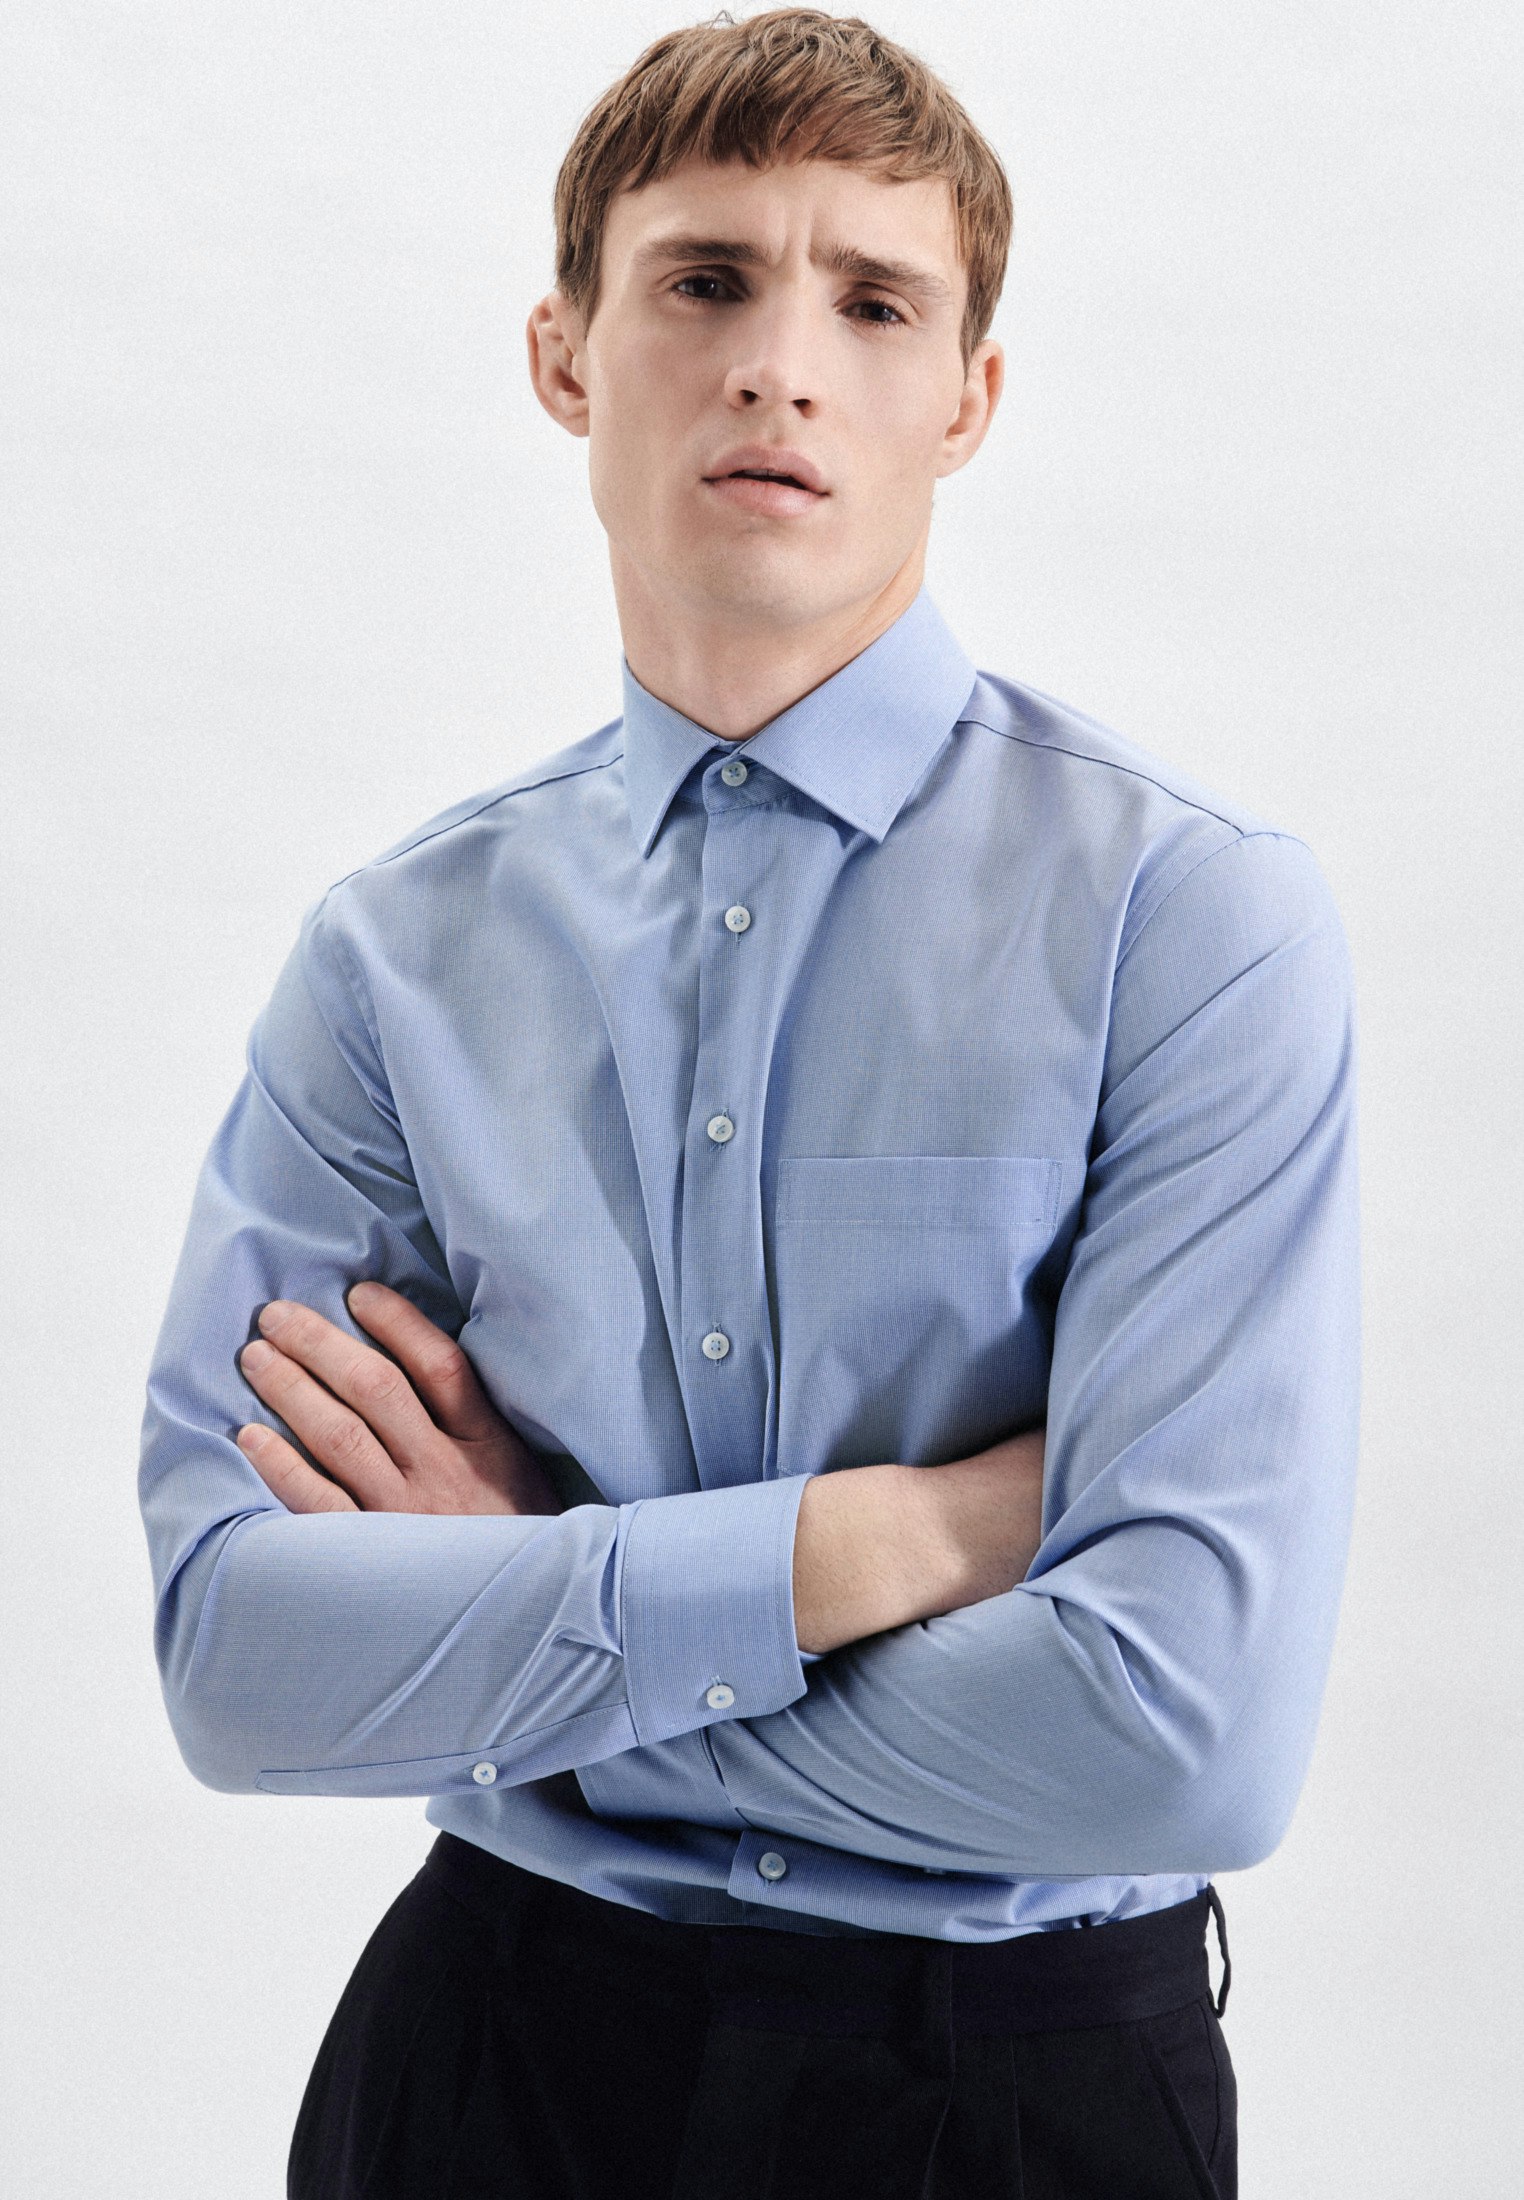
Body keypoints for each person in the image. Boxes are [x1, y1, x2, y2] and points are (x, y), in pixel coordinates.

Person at [138, 10, 1359, 2196]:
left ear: (967, 396)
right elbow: (237, 1660)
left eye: (873, 301)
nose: (781, 364)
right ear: (565, 355)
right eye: (705, 278)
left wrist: (531, 1631)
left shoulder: (1191, 921)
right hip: (488, 2065)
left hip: (1007, 2096)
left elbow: (1183, 1741)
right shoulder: (389, 957)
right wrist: (896, 1538)